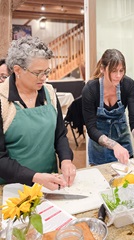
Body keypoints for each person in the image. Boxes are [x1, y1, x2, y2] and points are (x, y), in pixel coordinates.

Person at [0, 36, 76, 190]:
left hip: (50, 181)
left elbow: (60, 134)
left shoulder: (48, 92)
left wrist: (66, 159)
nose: (44, 77)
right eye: (38, 72)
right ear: (17, 70)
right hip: (13, 187)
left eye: (46, 71)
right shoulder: (3, 101)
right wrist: (35, 177)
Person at [82, 49, 134, 170]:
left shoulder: (128, 85)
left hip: (123, 143)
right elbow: (91, 128)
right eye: (114, 71)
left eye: (121, 70)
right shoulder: (91, 89)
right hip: (99, 146)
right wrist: (114, 146)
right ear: (102, 69)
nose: (118, 75)